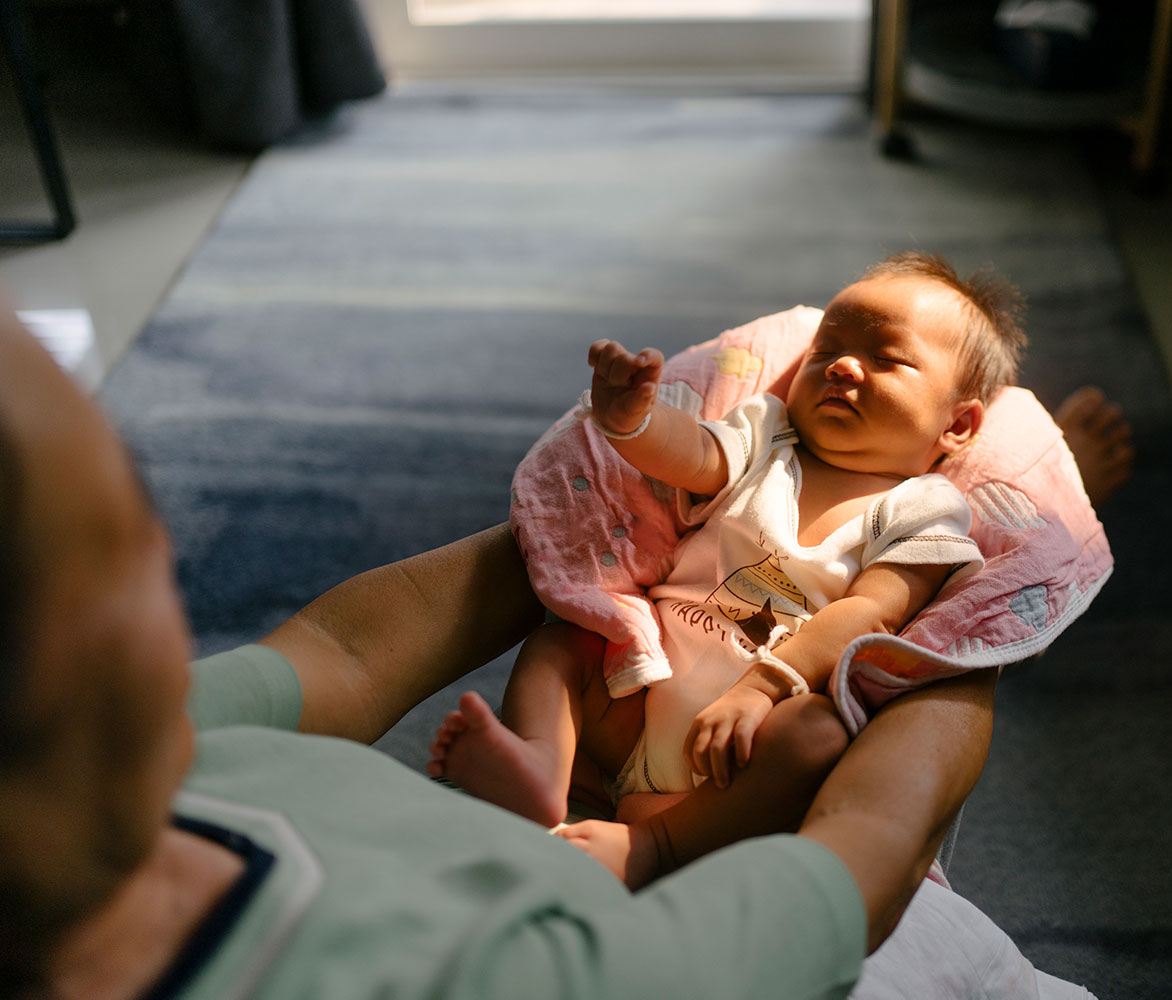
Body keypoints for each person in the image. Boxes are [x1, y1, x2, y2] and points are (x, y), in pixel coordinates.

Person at [0, 308, 1116, 999]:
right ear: (76, 663)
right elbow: (861, 849)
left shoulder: (179, 739)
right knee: (949, 942)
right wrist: (1000, 612)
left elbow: (340, 647)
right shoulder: (580, 977)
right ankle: (600, 811)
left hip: (753, 709)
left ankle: (593, 816)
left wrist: (586, 547)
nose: (840, 367)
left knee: (810, 725)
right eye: (122, 542)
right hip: (723, 836)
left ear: (957, 429)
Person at [427, 254, 1026, 887]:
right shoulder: (770, 436)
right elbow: (696, 456)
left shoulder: (925, 510)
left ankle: (656, 842)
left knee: (818, 737)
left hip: (741, 746)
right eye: (827, 351)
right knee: (561, 643)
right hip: (633, 694)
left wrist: (760, 689)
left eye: (886, 359)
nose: (844, 366)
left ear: (957, 424)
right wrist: (636, 422)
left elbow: (871, 611)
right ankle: (542, 770)